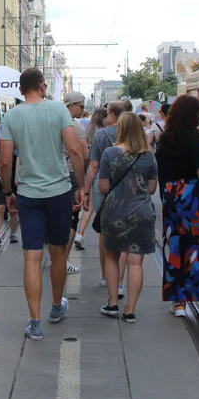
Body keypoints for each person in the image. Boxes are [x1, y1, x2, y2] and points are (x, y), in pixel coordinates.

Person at [0, 68, 85, 341]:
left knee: (32, 257)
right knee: (58, 253)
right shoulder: (59, 111)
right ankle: (57, 306)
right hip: (59, 191)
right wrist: (81, 186)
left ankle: (35, 323)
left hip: (29, 194)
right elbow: (73, 150)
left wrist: (7, 190)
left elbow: (5, 161)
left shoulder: (11, 116)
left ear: (21, 89)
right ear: (42, 86)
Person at [157, 96, 199, 320]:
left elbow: (161, 172)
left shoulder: (165, 139)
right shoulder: (196, 139)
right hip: (194, 196)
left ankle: (179, 301)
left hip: (172, 195)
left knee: (175, 246)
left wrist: (166, 196)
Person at [98, 112, 158, 323]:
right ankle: (130, 309)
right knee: (136, 263)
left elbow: (103, 186)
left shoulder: (109, 153)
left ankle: (113, 302)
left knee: (112, 257)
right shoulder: (149, 155)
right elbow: (151, 189)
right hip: (141, 212)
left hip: (115, 212)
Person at [85, 101, 129, 295]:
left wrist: (85, 190)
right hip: (128, 186)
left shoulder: (101, 135)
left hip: (103, 185)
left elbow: (93, 165)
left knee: (105, 231)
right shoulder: (133, 133)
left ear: (111, 114)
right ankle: (119, 281)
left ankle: (106, 276)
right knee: (124, 233)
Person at [61, 92, 89, 275]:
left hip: (56, 174)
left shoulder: (53, 122)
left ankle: (58, 258)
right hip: (71, 173)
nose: (83, 109)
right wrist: (82, 185)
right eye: (81, 106)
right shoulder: (75, 126)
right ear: (72, 106)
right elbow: (83, 154)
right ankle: (64, 260)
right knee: (71, 219)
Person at [75, 107, 107, 250]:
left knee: (90, 207)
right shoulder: (105, 132)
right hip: (103, 171)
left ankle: (80, 234)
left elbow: (84, 154)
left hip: (91, 171)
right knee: (103, 208)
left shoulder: (87, 130)